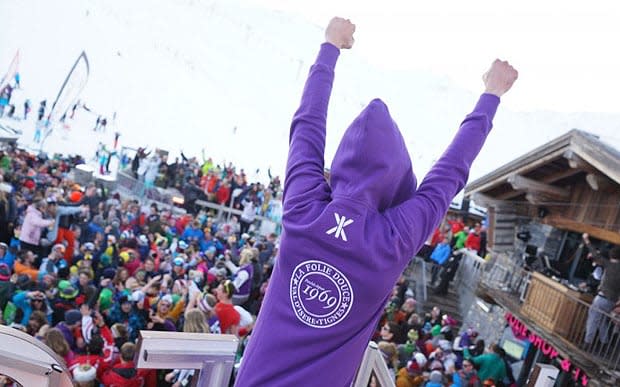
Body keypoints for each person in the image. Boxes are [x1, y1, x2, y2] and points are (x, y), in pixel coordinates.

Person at [235, 16, 518, 387]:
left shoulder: (303, 208)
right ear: (398, 181)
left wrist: (330, 46)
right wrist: (491, 95)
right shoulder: (393, 238)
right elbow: (449, 174)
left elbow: (307, 124)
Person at [583, 233, 620, 348]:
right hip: (613, 302)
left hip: (602, 298)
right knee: (602, 320)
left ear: (611, 256)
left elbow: (595, 253)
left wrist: (587, 240)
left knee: (593, 319)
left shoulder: (609, 265)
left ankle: (587, 342)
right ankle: (604, 343)